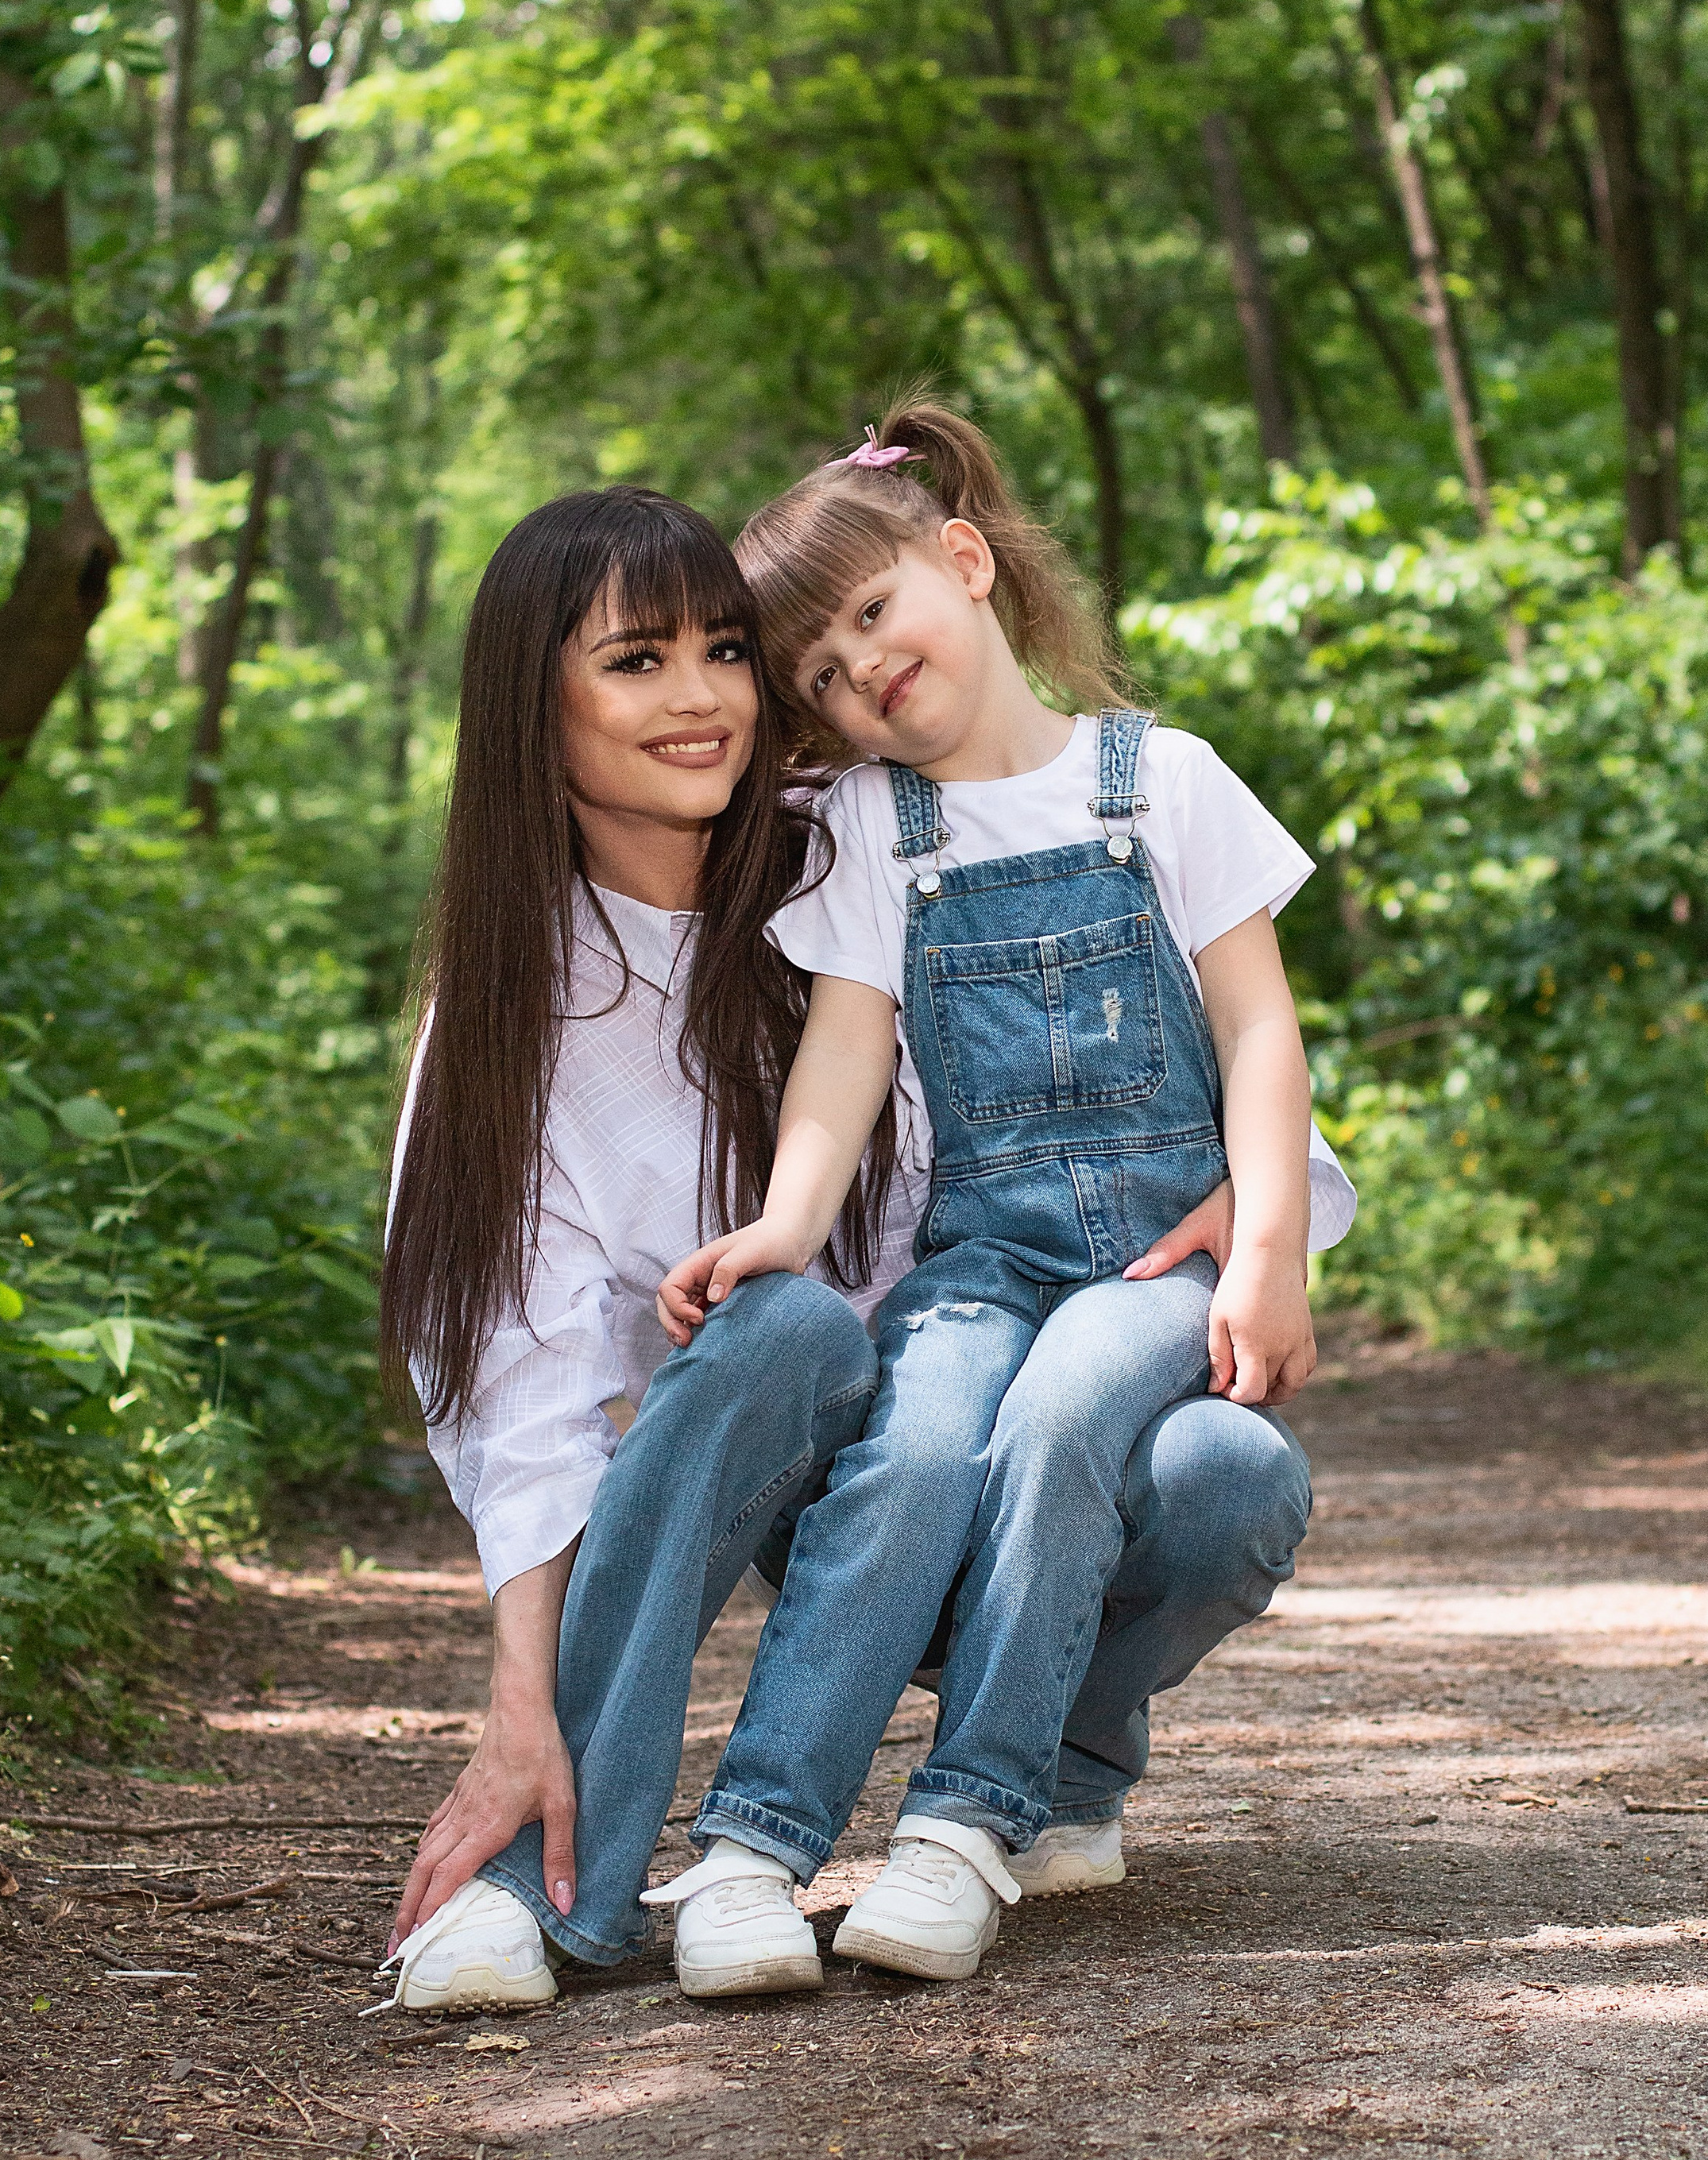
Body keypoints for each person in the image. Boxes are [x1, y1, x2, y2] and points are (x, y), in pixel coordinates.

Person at [374, 481, 1324, 2008]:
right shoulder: (509, 1020)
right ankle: (550, 1879)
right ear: (530, 712)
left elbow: (1165, 1064)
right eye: (636, 661)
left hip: (1037, 1433)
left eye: (724, 653)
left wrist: (1267, 1210)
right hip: (827, 1470)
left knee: (1229, 1474)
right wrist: (517, 1713)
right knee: (790, 1324)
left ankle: (1045, 1775)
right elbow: (519, 1395)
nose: (701, 697)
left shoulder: (865, 838)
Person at [652, 404, 1350, 1989]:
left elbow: (1259, 1029)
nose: (859, 670)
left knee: (1060, 1419)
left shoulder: (1160, 781)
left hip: (1155, 1259)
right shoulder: (866, 831)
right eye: (819, 673)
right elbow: (844, 1057)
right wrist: (784, 1225)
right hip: (983, 1255)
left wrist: (1267, 1246)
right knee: (908, 1458)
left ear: (962, 561)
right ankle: (752, 1848)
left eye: (871, 612)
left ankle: (963, 1826)